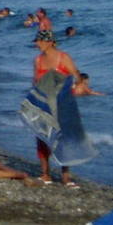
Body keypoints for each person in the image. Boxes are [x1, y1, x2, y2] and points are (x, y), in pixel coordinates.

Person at [32, 28, 80, 186]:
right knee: (43, 139)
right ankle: (45, 174)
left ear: (49, 42)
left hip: (62, 103)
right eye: (37, 42)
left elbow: (77, 77)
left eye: (39, 41)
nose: (37, 44)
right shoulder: (38, 60)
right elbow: (35, 82)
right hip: (44, 103)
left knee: (63, 140)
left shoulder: (63, 57)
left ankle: (65, 176)